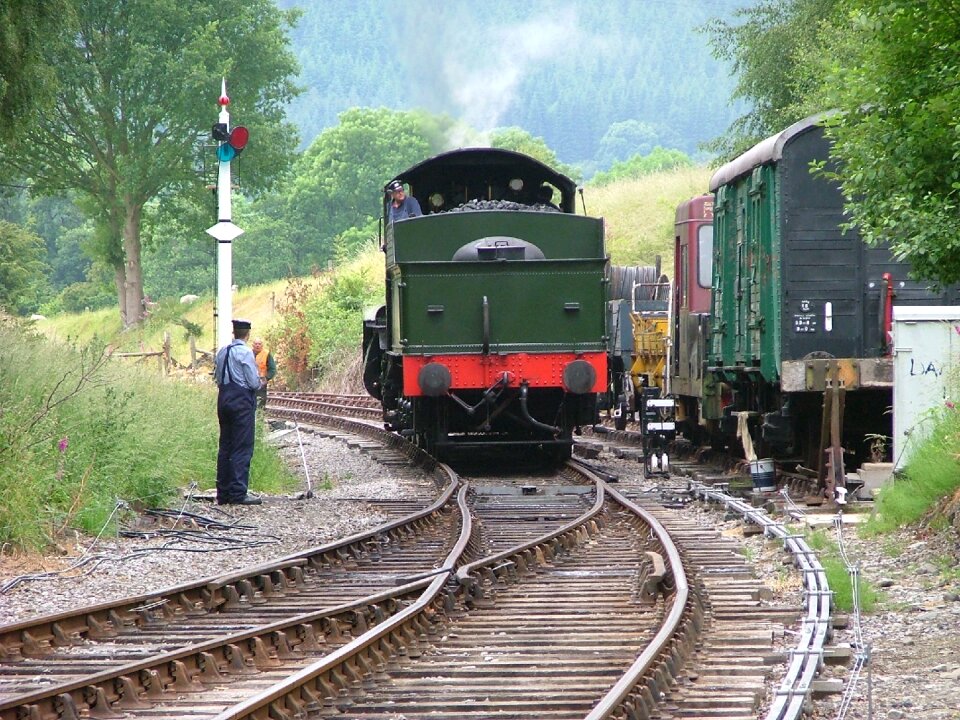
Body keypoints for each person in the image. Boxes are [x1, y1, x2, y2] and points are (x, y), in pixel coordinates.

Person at [213, 319, 263, 505]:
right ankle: (238, 492)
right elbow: (253, 382)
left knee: (225, 445)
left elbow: (217, 377)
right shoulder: (245, 353)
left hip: (223, 398)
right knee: (242, 446)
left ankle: (223, 492)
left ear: (234, 332)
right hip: (241, 401)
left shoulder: (222, 352)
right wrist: (260, 383)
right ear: (247, 334)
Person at [251, 337, 277, 410]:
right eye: (256, 344)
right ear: (253, 345)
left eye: (259, 344)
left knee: (261, 402)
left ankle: (259, 417)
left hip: (261, 382)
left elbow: (272, 369)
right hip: (250, 382)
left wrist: (267, 378)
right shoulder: (248, 353)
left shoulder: (266, 354)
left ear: (262, 345)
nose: (257, 345)